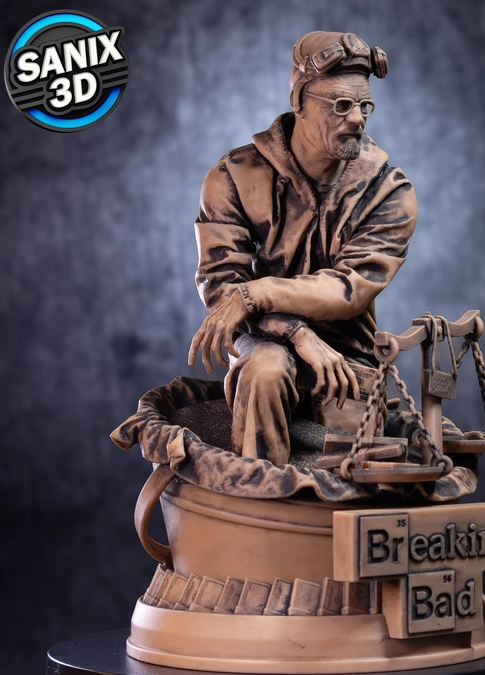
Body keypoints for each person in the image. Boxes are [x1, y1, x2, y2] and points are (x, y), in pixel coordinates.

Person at [188, 31, 418, 466]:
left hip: (346, 354)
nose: (357, 119)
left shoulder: (388, 192)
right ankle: (262, 492)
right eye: (340, 105)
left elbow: (349, 290)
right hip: (261, 337)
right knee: (266, 369)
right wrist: (296, 332)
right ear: (299, 101)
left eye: (365, 106)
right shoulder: (234, 176)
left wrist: (257, 292)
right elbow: (222, 288)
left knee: (351, 431)